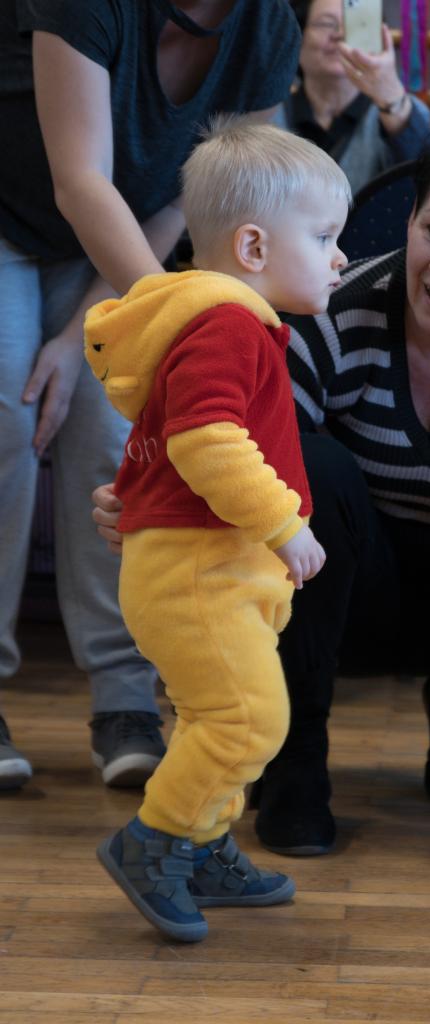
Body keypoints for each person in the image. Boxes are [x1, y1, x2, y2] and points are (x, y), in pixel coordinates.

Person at [93, 110, 430, 860]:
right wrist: (154, 504)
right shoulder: (329, 310)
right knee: (306, 467)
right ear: (410, 218)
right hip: (338, 589)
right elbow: (229, 457)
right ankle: (296, 762)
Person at [0, 0, 301, 791]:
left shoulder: (268, 27)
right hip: (17, 216)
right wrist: (180, 319)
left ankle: (125, 700)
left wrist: (90, 337)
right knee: (8, 416)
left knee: (122, 435)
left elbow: (205, 199)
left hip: (124, 237)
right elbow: (80, 181)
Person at [84, 118, 350, 942]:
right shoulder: (228, 323)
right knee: (247, 720)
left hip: (207, 570)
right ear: (253, 247)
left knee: (221, 719)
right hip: (201, 572)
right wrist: (283, 524)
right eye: (324, 237)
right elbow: (204, 441)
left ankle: (202, 847)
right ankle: (154, 841)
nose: (340, 257)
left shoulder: (215, 323)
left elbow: (162, 444)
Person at [273, 0, 430, 195]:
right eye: (327, 23)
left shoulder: (400, 111)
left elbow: (427, 177)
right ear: (298, 36)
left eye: (355, 24)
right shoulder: (268, 115)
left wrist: (392, 99)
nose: (340, 34)